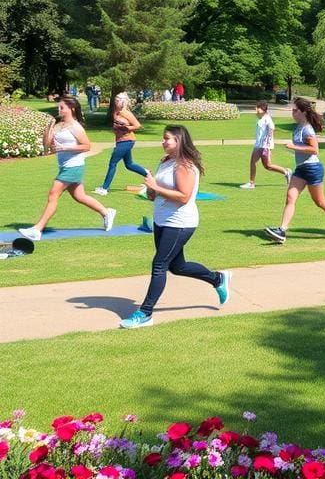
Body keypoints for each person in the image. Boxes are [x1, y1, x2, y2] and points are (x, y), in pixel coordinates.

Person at [119, 125, 231, 329]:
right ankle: (217, 278)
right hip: (162, 220)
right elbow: (157, 193)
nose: (163, 142)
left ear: (178, 141)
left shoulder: (185, 165)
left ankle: (145, 313)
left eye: (167, 139)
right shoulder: (166, 161)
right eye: (163, 138)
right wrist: (151, 189)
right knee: (176, 266)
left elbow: (184, 197)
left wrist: (156, 188)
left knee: (159, 264)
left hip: (180, 222)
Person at [18, 97, 117, 242]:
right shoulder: (60, 125)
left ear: (71, 109)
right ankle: (106, 212)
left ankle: (37, 230)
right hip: (66, 166)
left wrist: (66, 147)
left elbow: (87, 146)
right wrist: (48, 127)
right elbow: (47, 145)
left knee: (53, 195)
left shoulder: (75, 127)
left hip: (73, 166)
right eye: (59, 107)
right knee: (80, 196)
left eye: (62, 107)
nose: (59, 110)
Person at [264, 98, 325, 243]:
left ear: (303, 112)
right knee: (290, 197)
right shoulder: (297, 128)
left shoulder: (308, 129)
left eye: (295, 110)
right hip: (301, 169)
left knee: (320, 201)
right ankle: (282, 231)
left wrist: (293, 147)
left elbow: (315, 150)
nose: (293, 113)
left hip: (313, 169)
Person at [94, 91, 149, 196]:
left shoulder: (126, 113)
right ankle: (147, 174)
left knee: (112, 163)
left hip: (127, 140)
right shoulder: (115, 111)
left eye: (118, 100)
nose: (116, 102)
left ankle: (105, 188)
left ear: (123, 102)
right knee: (129, 164)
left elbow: (138, 125)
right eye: (116, 100)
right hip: (120, 141)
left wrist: (126, 128)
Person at [240, 101, 289, 189]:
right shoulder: (261, 118)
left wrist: (268, 147)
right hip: (259, 144)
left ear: (263, 109)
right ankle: (285, 172)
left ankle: (252, 183)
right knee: (261, 164)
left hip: (264, 146)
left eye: (257, 108)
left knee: (261, 164)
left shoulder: (267, 118)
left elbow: (272, 128)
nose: (256, 110)